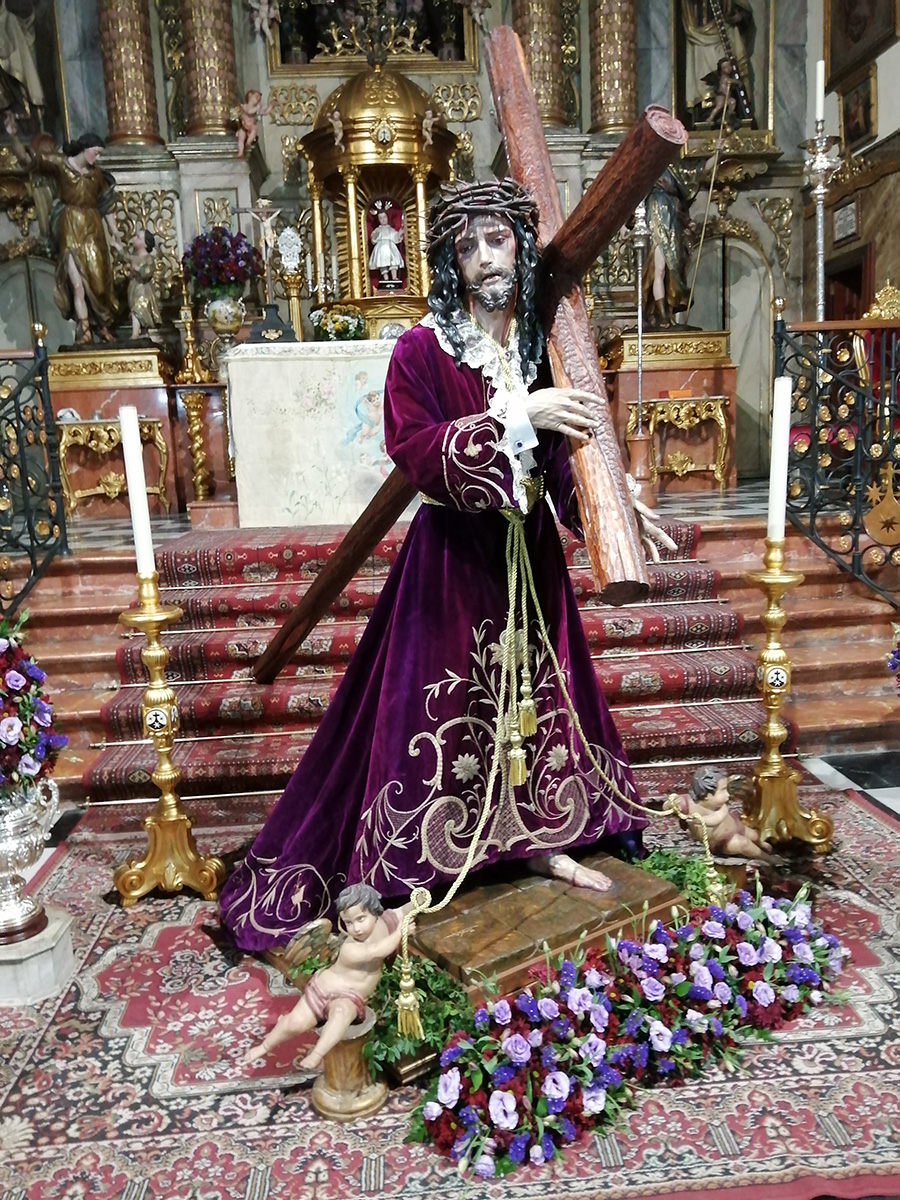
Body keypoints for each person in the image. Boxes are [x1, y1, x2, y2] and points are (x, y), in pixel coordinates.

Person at [219, 178, 646, 955]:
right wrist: (519, 414)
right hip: (452, 563)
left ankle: (540, 834)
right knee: (440, 712)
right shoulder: (421, 349)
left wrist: (604, 502)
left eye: (499, 239)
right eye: (469, 244)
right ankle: (429, 854)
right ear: (451, 261)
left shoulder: (539, 344)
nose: (487, 258)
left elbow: (557, 463)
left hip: (528, 556)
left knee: (534, 700)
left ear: (521, 244)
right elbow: (415, 451)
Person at [243, 884, 413, 1069]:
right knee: (294, 1023)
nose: (356, 928)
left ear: (375, 912)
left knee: (341, 1013)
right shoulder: (350, 948)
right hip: (324, 989)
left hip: (349, 997)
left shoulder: (384, 924)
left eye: (360, 919)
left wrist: (419, 901)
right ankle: (264, 1046)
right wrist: (400, 933)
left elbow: (402, 911)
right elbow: (377, 951)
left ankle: (317, 1054)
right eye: (349, 923)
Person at [4, 111, 119, 343]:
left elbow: (107, 204)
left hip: (93, 228)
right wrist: (14, 137)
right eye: (95, 153)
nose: (96, 158)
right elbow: (28, 161)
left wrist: (115, 232)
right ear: (85, 148)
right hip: (69, 225)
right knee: (76, 284)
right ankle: (83, 329)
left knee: (99, 279)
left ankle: (102, 325)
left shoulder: (97, 176)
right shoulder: (59, 165)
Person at [679, 766, 773, 860]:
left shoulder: (721, 807)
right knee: (744, 844)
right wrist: (671, 805)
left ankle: (760, 844)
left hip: (736, 826)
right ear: (707, 795)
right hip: (723, 841)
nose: (728, 794)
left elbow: (716, 819)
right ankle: (766, 858)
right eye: (723, 790)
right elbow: (672, 803)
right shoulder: (688, 804)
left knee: (753, 835)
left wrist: (699, 820)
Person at [117, 228, 161, 340]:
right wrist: (117, 246)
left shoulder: (148, 258)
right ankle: (142, 333)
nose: (134, 239)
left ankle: (136, 333)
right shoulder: (134, 257)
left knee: (138, 310)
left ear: (146, 244)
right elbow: (126, 256)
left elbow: (147, 272)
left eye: (138, 237)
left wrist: (136, 268)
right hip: (133, 287)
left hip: (143, 290)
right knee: (134, 308)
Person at [368, 206, 404, 285]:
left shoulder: (390, 229)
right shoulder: (378, 229)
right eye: (380, 218)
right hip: (381, 249)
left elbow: (395, 237)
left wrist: (399, 234)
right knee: (382, 263)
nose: (383, 219)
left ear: (387, 218)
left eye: (384, 217)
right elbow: (373, 239)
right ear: (378, 220)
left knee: (394, 262)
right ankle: (386, 278)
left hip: (391, 248)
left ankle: (394, 277)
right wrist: (375, 235)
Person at [235, 89, 268, 158]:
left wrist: (271, 106)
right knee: (241, 138)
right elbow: (249, 111)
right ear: (250, 96)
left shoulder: (256, 109)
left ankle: (248, 142)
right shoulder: (244, 106)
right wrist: (258, 107)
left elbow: (265, 112)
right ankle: (240, 152)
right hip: (244, 126)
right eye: (256, 96)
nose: (258, 99)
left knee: (254, 129)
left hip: (251, 127)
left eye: (259, 98)